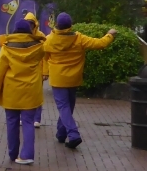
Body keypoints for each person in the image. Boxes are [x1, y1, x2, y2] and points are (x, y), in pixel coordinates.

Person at [43, 12, 117, 149]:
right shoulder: (79, 38)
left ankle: (73, 134)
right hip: (74, 78)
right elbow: (100, 44)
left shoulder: (49, 40)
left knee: (64, 107)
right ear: (70, 25)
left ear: (57, 25)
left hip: (58, 79)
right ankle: (61, 133)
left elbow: (44, 57)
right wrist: (110, 34)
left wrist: (44, 72)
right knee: (68, 107)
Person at [0, 19, 44, 164]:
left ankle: (13, 154)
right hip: (31, 91)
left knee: (11, 122)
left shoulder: (7, 48)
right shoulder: (39, 47)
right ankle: (27, 155)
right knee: (28, 122)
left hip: (11, 91)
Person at [23, 12, 47, 127]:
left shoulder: (40, 36)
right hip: (25, 70)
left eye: (31, 23)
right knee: (24, 94)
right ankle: (25, 117)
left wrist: (45, 72)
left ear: (35, 24)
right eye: (27, 23)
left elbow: (45, 56)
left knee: (37, 94)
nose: (29, 26)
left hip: (38, 70)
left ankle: (37, 119)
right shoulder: (22, 35)